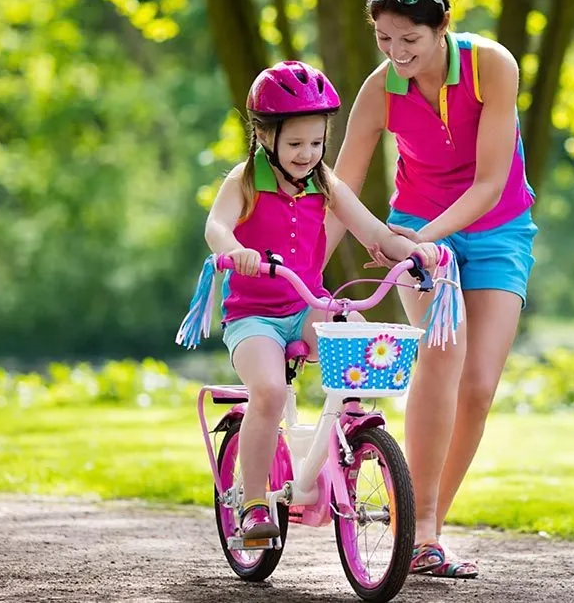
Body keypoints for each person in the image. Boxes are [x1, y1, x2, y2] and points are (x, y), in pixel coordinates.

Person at [327, 0, 538, 578]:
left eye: (409, 41)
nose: (396, 54)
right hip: (417, 227)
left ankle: (419, 525)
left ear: (442, 26)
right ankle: (423, 535)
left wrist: (417, 238)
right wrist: (306, 266)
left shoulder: (492, 66)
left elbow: (490, 181)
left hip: (496, 230)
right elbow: (342, 183)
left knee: (478, 386)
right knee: (442, 356)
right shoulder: (380, 89)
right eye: (384, 40)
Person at [187, 60, 439, 540]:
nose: (308, 154)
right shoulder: (243, 181)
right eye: (296, 143)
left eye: (317, 142)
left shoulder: (326, 183)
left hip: (306, 306)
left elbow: (373, 231)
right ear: (265, 137)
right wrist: (234, 251)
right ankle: (256, 501)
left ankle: (350, 439)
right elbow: (215, 226)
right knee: (270, 392)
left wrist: (417, 253)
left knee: (358, 350)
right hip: (253, 317)